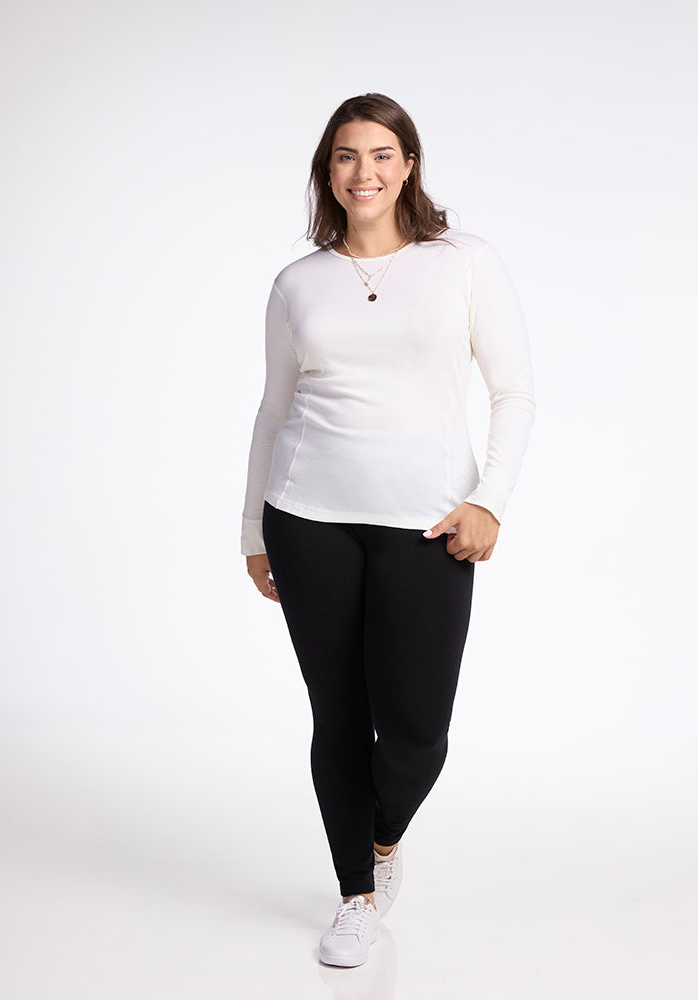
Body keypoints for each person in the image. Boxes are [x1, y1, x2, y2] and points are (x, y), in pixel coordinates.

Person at [240, 93, 535, 968]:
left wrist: (491, 500)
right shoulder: (298, 283)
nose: (362, 172)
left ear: (408, 164)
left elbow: (515, 391)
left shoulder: (464, 262)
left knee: (414, 731)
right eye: (344, 157)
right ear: (325, 173)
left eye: (380, 154)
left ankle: (381, 836)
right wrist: (253, 527)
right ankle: (355, 896)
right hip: (309, 520)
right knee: (339, 716)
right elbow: (273, 405)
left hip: (426, 525)